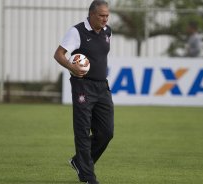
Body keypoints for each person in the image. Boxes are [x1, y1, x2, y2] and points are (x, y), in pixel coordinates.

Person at [54, 1, 114, 184]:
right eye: (101, 15)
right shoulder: (77, 32)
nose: (105, 19)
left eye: (107, 16)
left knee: (106, 133)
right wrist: (72, 66)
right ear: (91, 14)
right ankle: (89, 177)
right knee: (82, 131)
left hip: (102, 87)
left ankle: (79, 161)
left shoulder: (107, 32)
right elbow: (59, 54)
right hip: (83, 87)